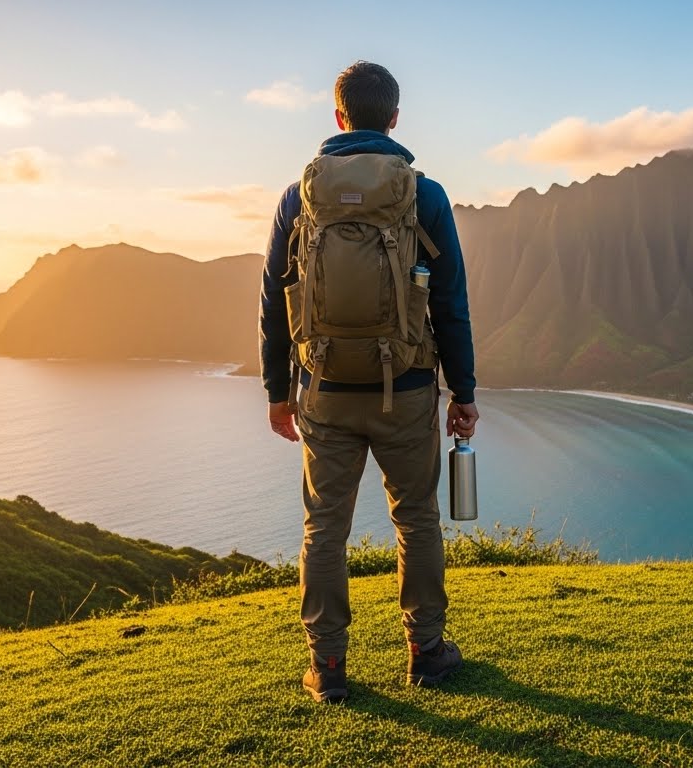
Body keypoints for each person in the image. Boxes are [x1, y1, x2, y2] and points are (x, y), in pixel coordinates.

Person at [259, 61, 479, 704]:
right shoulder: (424, 194)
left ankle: (327, 665)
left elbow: (275, 300)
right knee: (416, 520)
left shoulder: (298, 196)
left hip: (322, 387)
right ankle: (426, 651)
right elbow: (452, 304)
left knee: (324, 527)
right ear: (394, 119)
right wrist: (462, 393)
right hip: (407, 387)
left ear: (338, 118)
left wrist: (278, 392)